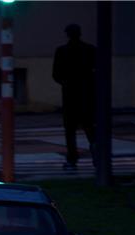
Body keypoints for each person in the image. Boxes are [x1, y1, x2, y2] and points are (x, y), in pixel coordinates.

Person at [52, 24, 97, 169]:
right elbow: (98, 70)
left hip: (70, 95)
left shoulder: (62, 51)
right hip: (86, 94)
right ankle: (97, 156)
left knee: (70, 130)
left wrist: (66, 83)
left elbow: (56, 74)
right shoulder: (90, 50)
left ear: (67, 34)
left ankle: (72, 159)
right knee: (90, 128)